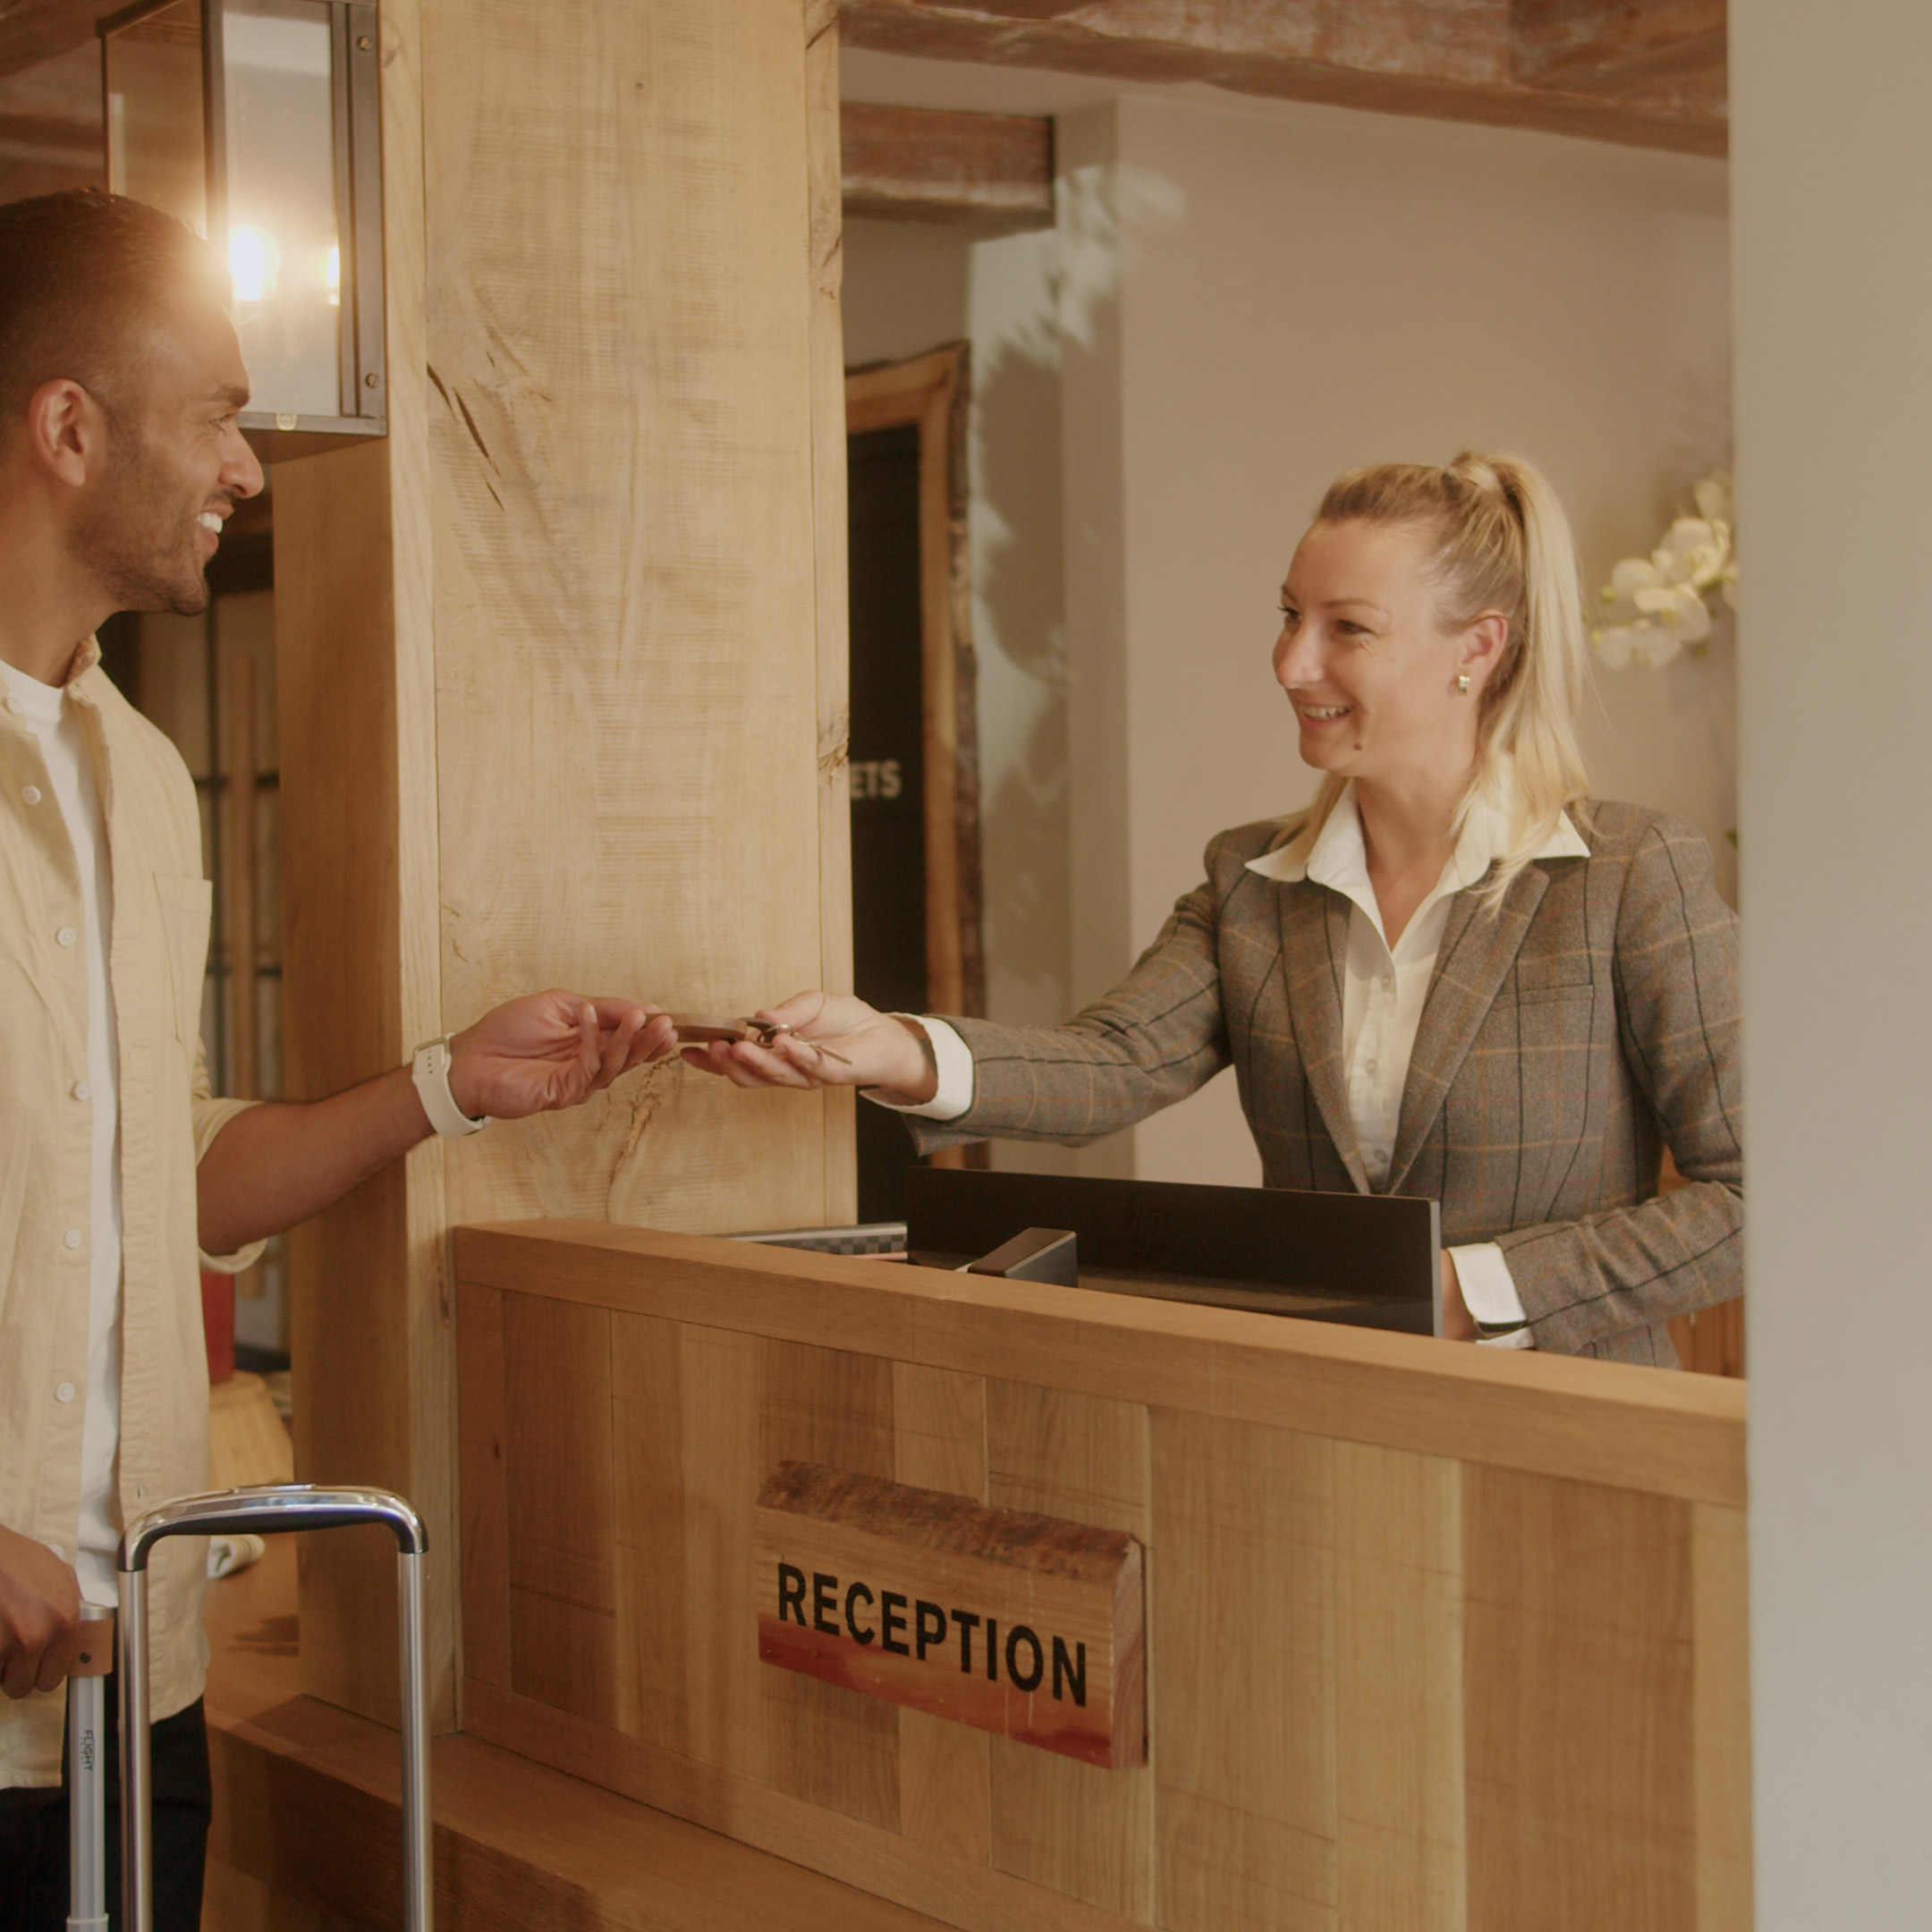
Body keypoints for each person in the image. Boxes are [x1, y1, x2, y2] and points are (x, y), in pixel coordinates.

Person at [0, 188, 674, 1928]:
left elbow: (171, 1175)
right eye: (217, 411)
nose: (247, 464)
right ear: (69, 428)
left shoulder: (136, 779)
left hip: (124, 1671)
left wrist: (449, 1083)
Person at [687, 452, 1742, 1363]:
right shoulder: (1253, 882)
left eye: (1348, 628)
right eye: (1290, 616)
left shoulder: (1629, 875)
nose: (1292, 664)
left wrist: (1473, 1293)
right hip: (1318, 1423)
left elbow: (1749, 1200)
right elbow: (1112, 1063)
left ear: (1479, 647)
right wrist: (893, 1048)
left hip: (1574, 1446)